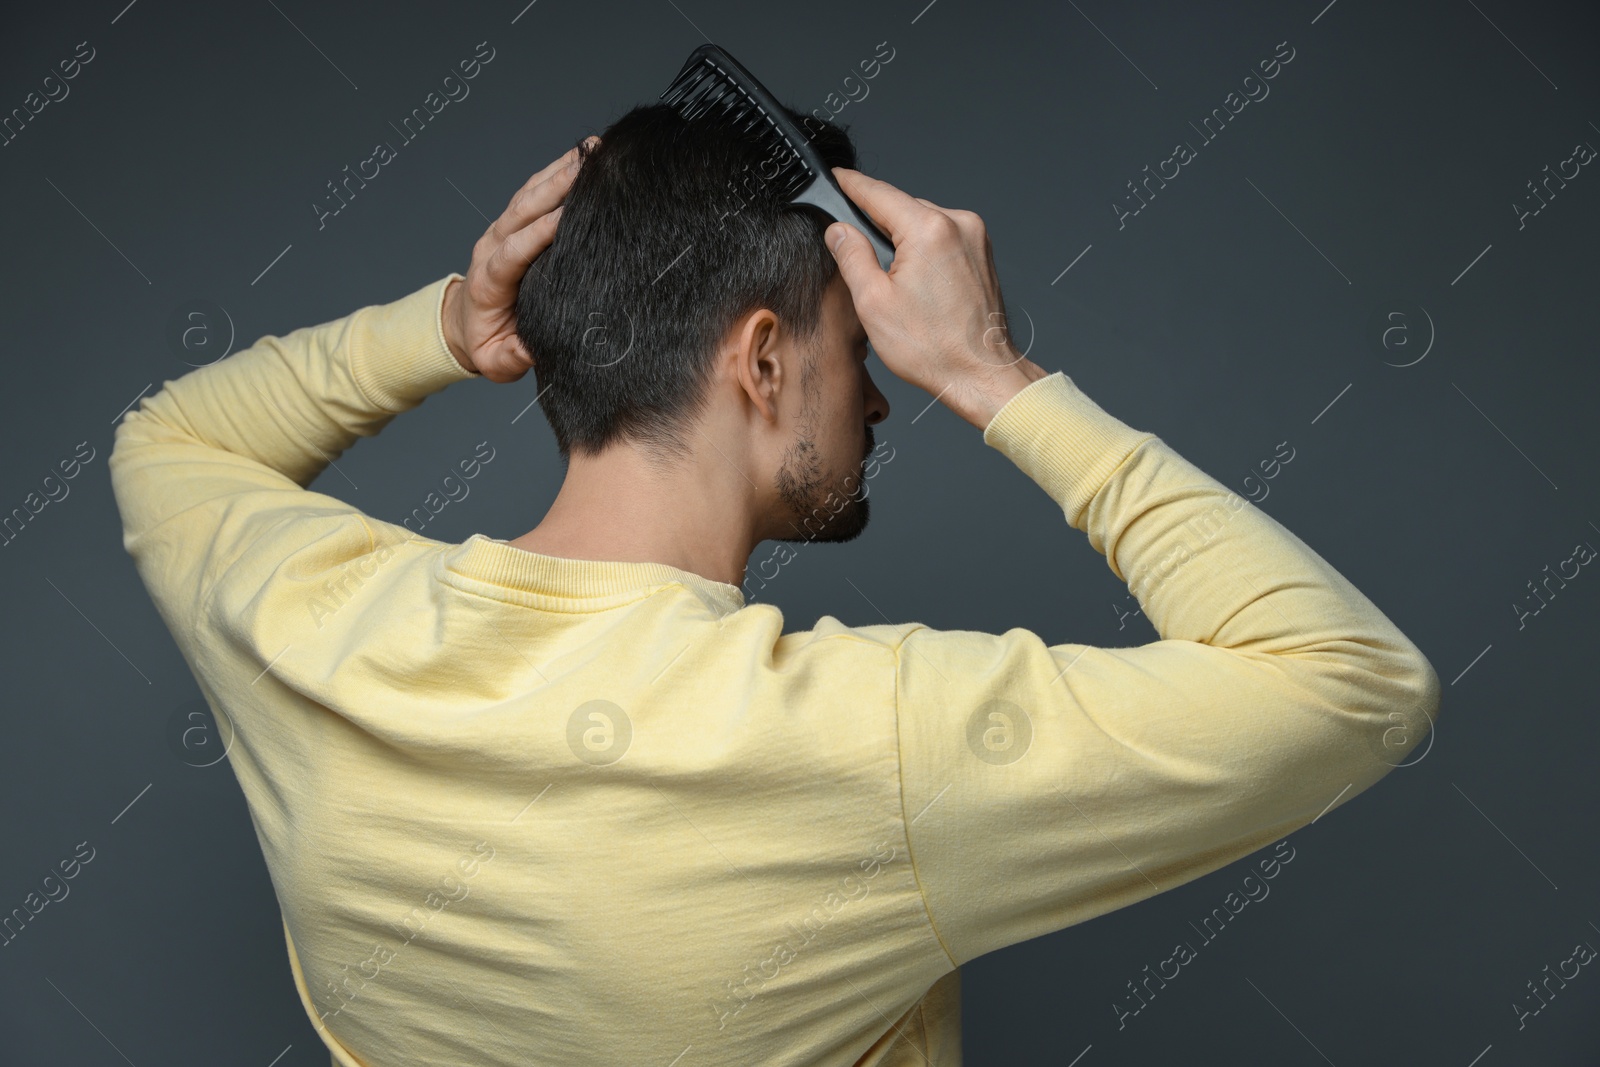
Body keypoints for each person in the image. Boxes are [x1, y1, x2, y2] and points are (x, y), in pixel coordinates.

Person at [110, 101, 1440, 1067]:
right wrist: (992, 374)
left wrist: (449, 325)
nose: (880, 400)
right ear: (760, 362)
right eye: (860, 349)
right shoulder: (869, 745)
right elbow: (1352, 686)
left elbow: (165, 440)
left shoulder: (304, 619)